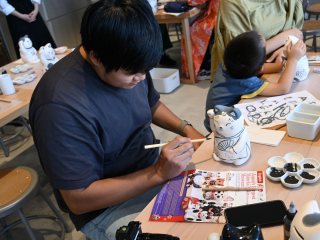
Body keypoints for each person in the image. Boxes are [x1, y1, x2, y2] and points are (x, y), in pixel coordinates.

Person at [29, 0, 204, 239]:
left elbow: (151, 103)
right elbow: (78, 199)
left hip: (150, 166)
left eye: (146, 71)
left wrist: (187, 129)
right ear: (96, 58)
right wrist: (158, 174)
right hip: (107, 207)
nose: (141, 79)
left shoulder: (129, 61)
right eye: (132, 74)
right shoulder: (60, 106)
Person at [204, 30, 306, 131]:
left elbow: (256, 68)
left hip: (214, 119)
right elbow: (282, 88)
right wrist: (293, 60)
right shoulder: (245, 82)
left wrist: (280, 66)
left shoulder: (229, 63)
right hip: (221, 128)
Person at [210, 0, 304, 80]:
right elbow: (242, 59)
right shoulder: (234, 3)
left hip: (285, 68)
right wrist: (284, 38)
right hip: (249, 78)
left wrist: (286, 48)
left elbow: (298, 34)